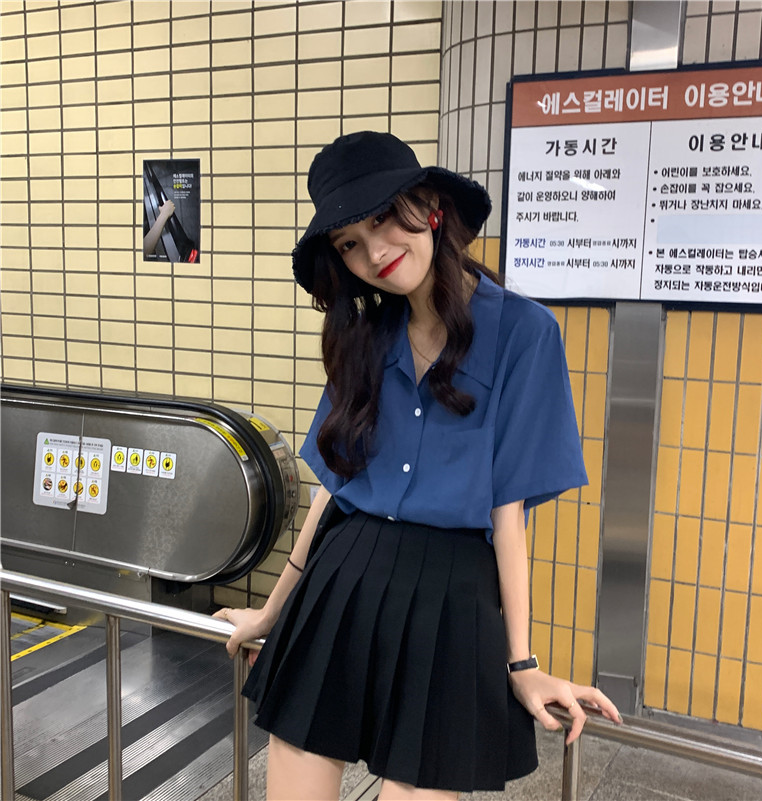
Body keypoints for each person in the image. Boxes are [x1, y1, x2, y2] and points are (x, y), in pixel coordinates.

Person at [215, 130, 621, 801]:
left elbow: (508, 514)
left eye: (382, 218)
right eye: (349, 243)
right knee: (295, 770)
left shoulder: (524, 332)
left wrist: (521, 661)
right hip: (344, 575)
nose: (374, 252)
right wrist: (270, 611)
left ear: (430, 206)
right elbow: (333, 489)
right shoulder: (366, 336)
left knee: (416, 787)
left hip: (452, 596)